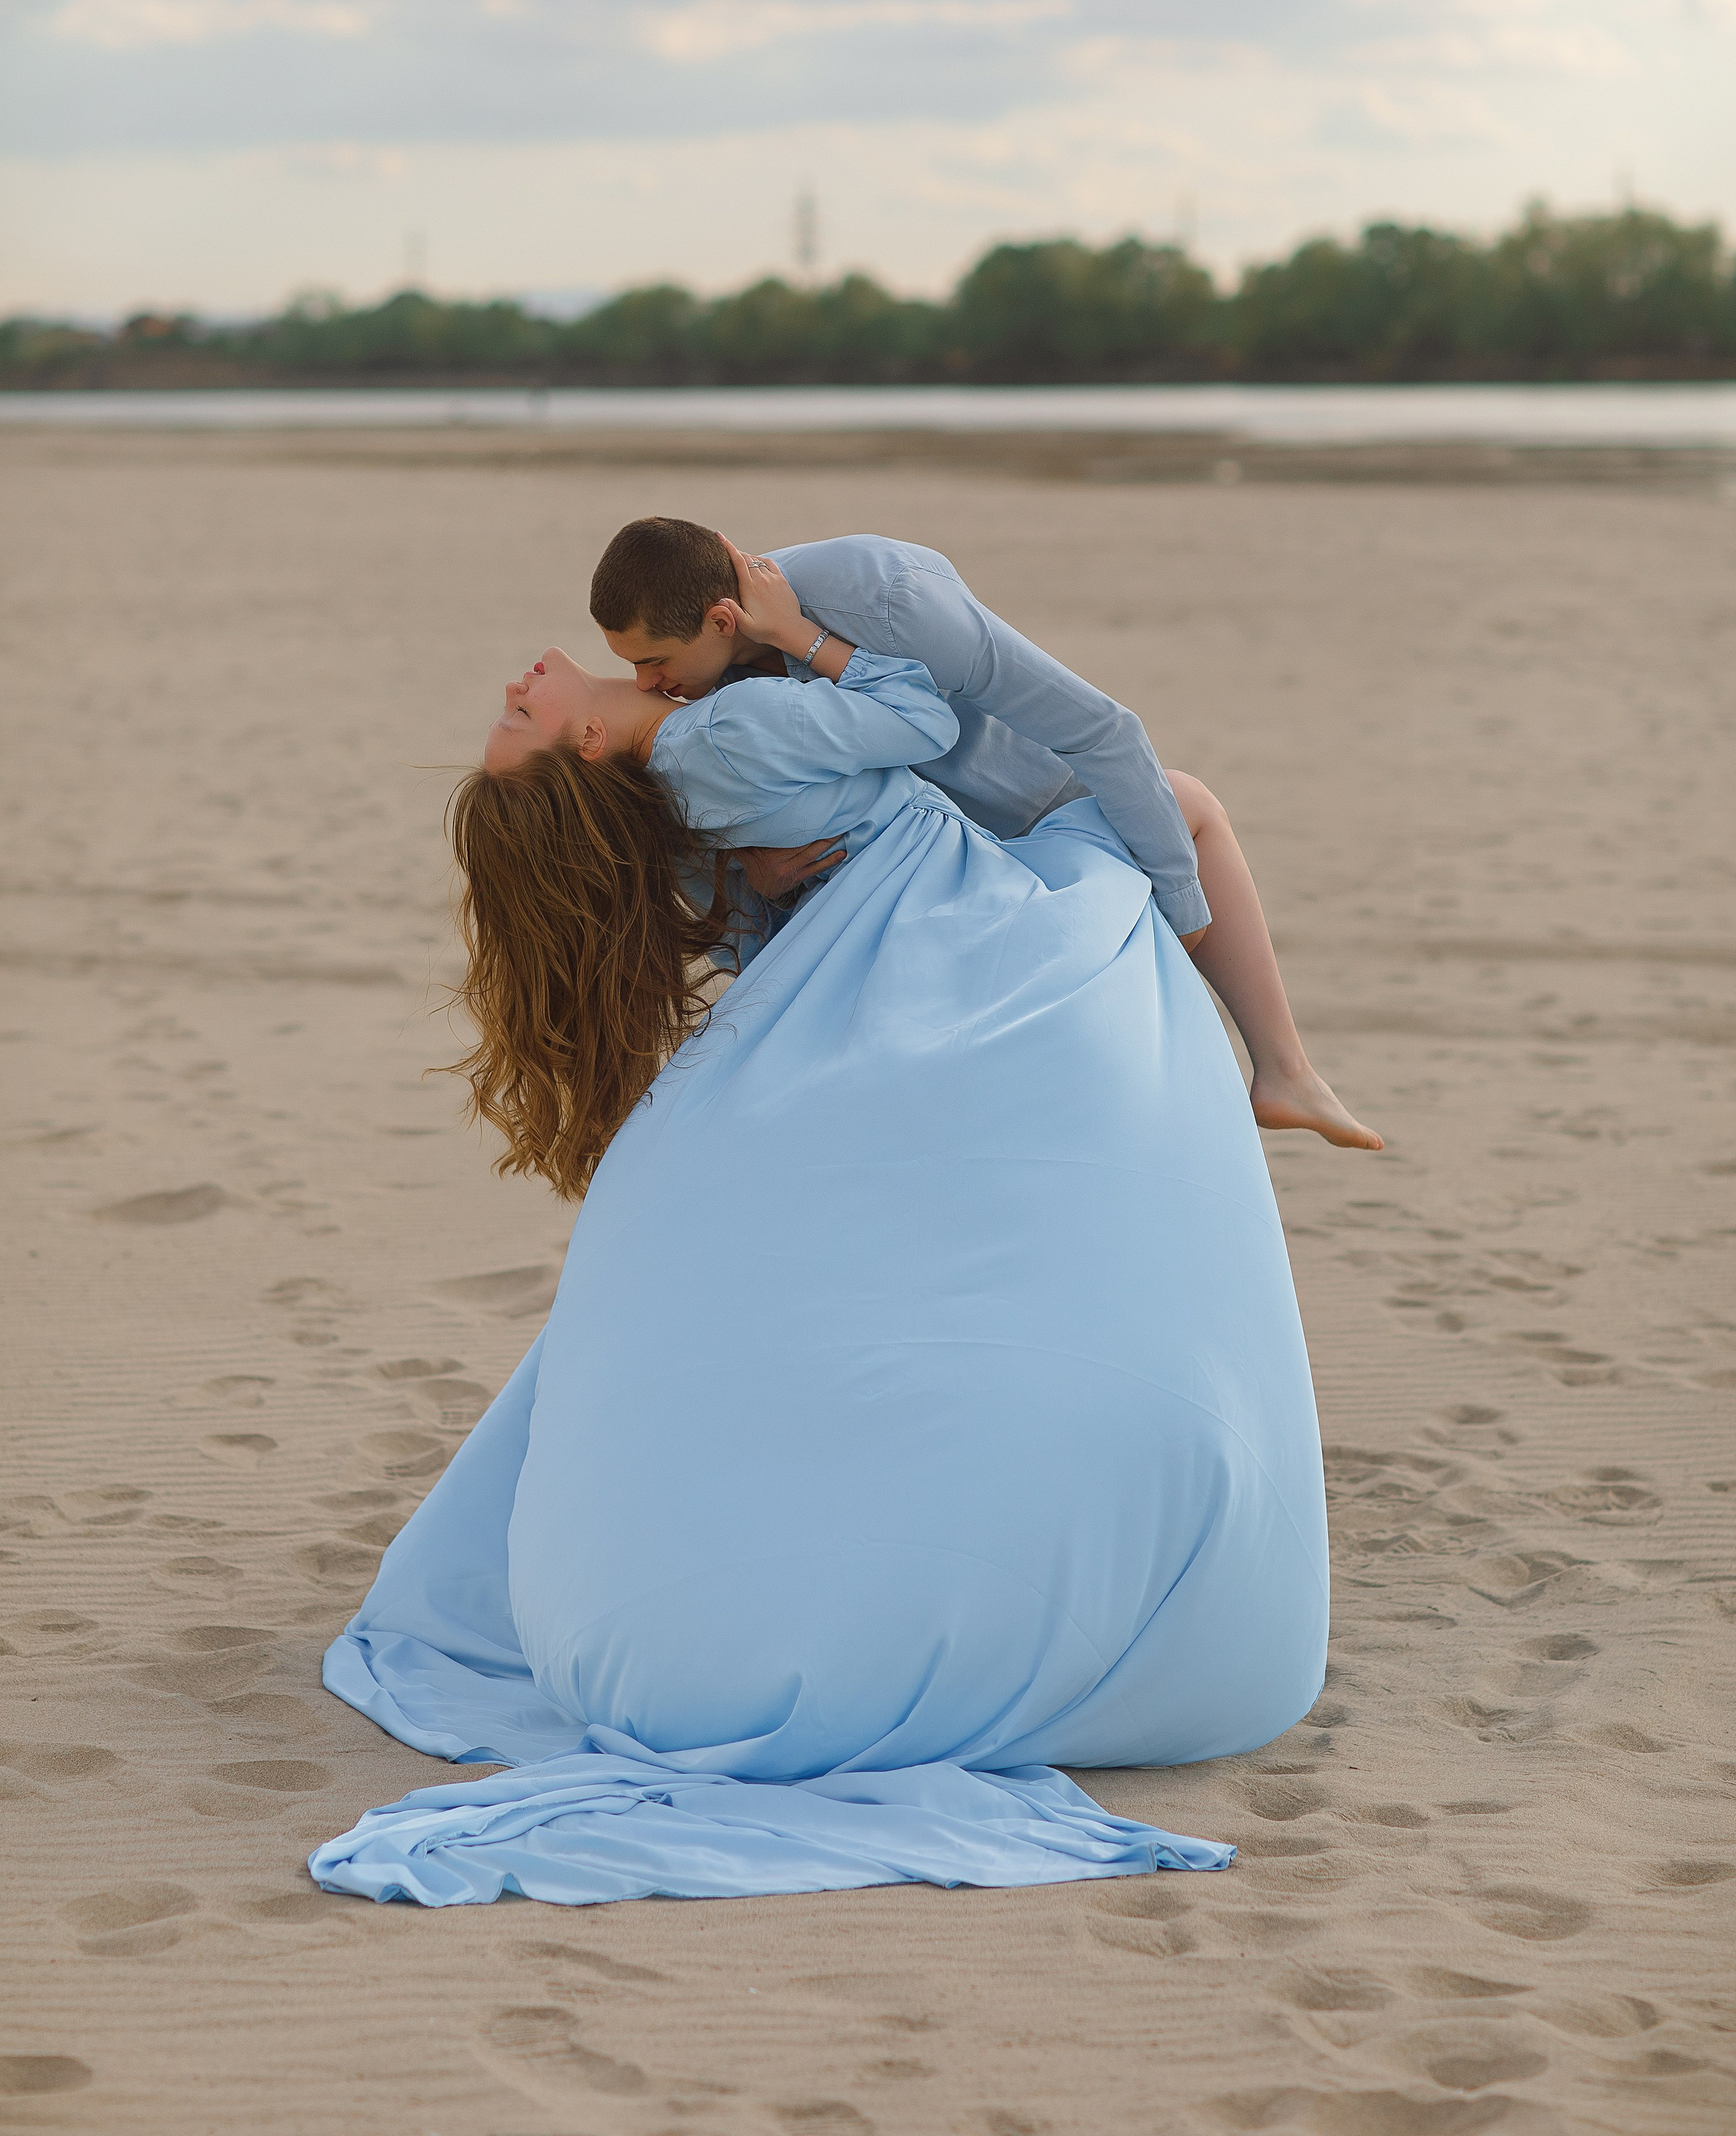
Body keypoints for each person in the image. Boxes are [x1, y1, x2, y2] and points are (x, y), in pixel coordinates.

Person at [310, 558, 1330, 1910]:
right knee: (1175, 820)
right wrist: (815, 643)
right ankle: (1281, 1068)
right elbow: (965, 727)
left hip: (874, 928)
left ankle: (1275, 1073)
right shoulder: (726, 740)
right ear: (594, 744)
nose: (515, 690)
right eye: (520, 725)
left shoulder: (692, 786)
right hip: (954, 916)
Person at [590, 517, 1380, 1151]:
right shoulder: (706, 680)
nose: (646, 685)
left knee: (1185, 809)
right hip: (914, 864)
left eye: (653, 660)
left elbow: (1102, 730)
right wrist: (751, 880)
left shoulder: (883, 599)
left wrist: (1185, 914)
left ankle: (1282, 1070)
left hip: (1032, 809)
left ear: (721, 619)